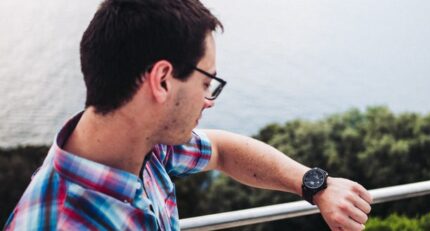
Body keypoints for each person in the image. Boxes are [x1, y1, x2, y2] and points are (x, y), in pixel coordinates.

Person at [4, 0, 372, 230]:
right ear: (162, 80)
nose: (209, 100)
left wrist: (315, 185)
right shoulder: (68, 222)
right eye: (207, 81)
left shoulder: (138, 144)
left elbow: (224, 150)